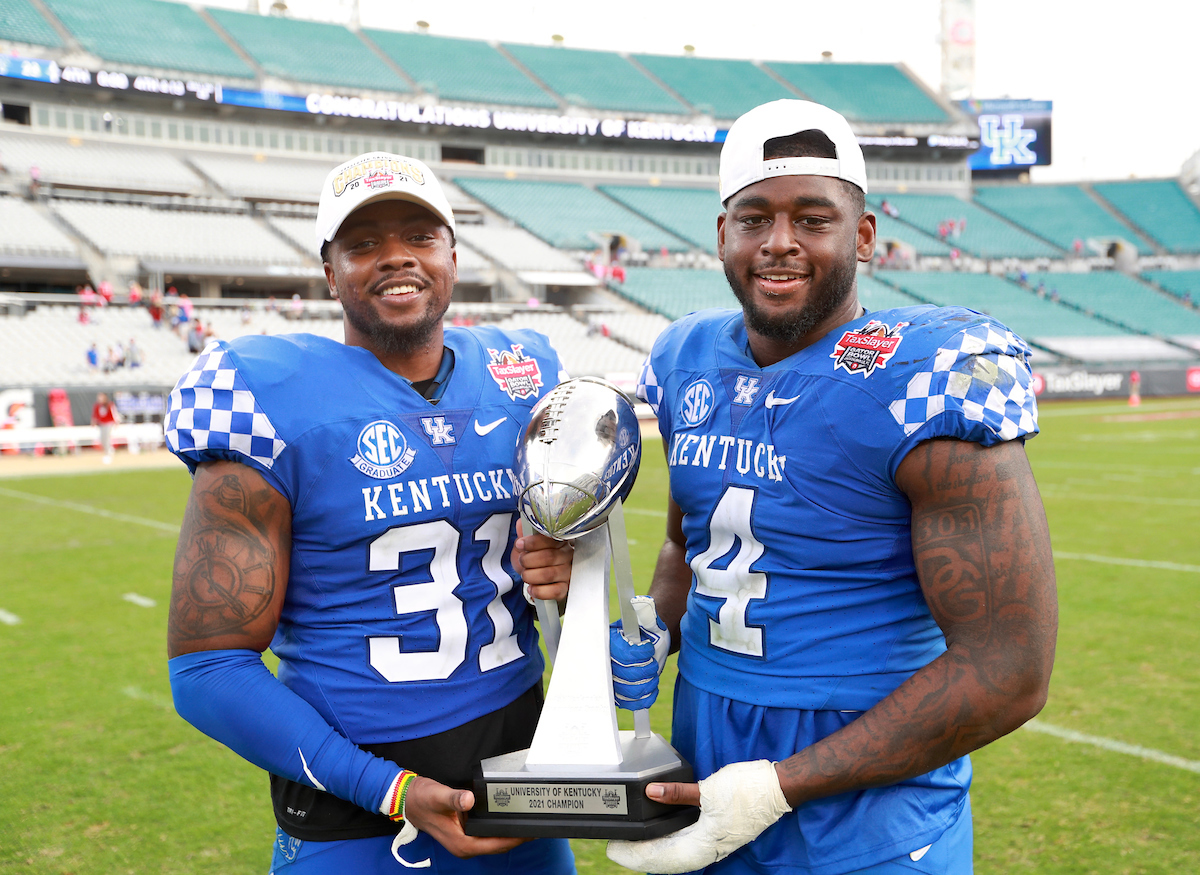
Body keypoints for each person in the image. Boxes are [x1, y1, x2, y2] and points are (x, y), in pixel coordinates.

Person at [607, 100, 1057, 875]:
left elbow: (1010, 667)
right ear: (723, 234)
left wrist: (778, 786)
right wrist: (657, 626)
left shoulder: (922, 374)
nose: (779, 242)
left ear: (865, 235)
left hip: (867, 803)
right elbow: (689, 538)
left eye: (813, 218)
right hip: (704, 764)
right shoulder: (687, 358)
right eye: (754, 218)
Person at [164, 152, 578, 874]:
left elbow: (565, 564)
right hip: (357, 815)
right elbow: (206, 666)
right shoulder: (270, 394)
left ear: (453, 253)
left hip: (522, 790)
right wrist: (393, 789)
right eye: (363, 244)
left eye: (419, 236)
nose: (396, 258)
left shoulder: (524, 373)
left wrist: (575, 576)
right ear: (330, 272)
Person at [91, 392, 119, 463]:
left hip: (108, 423)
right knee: (102, 438)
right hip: (101, 424)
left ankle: (108, 453)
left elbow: (114, 414)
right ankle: (108, 449)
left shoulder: (109, 404)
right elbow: (95, 415)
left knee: (106, 437)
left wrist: (116, 422)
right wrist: (93, 422)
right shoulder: (97, 406)